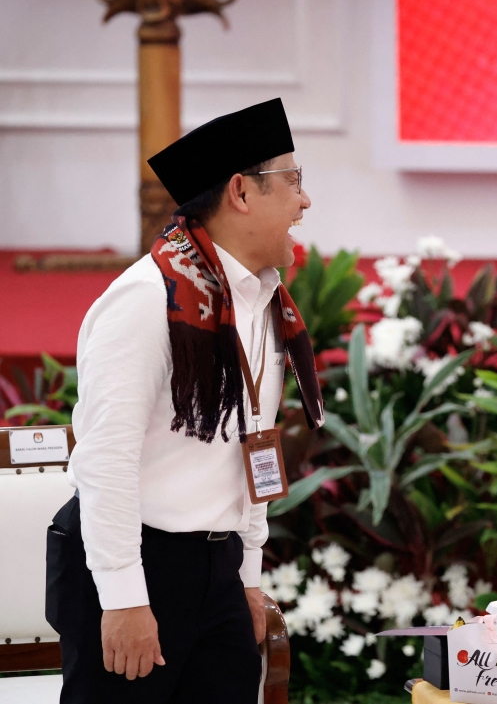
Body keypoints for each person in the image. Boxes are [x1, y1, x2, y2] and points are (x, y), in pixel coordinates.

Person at [45, 98, 325, 704]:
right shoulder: (147, 300)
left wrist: (248, 576)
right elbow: (106, 459)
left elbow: (256, 446)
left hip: (217, 573)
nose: (305, 202)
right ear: (241, 192)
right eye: (293, 181)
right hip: (135, 569)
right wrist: (123, 598)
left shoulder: (264, 301)